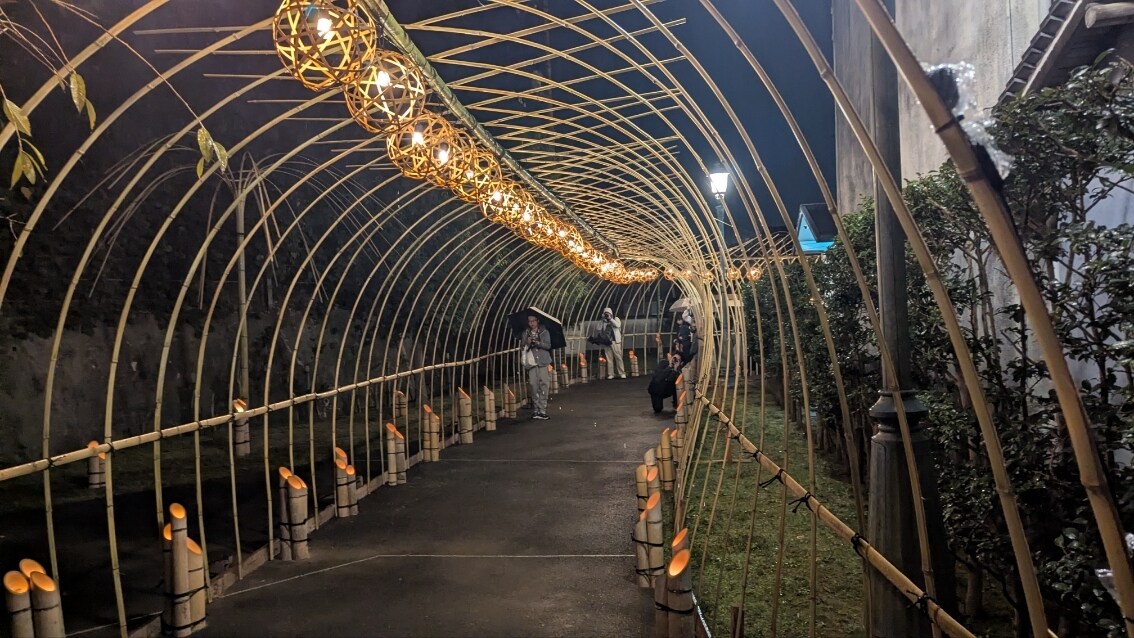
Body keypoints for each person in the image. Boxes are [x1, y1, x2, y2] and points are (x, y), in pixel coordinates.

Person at [521, 313, 552, 420]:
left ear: (537, 321)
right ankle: (536, 409)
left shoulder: (544, 332)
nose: (531, 323)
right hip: (532, 363)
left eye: (533, 321)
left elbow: (548, 345)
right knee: (533, 385)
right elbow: (522, 347)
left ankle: (542, 410)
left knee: (544, 385)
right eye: (529, 321)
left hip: (543, 362)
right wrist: (527, 343)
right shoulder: (526, 333)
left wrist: (538, 343)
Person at [601, 307, 626, 379]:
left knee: (618, 357)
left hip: (615, 341)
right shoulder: (604, 321)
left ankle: (622, 373)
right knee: (609, 358)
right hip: (607, 341)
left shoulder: (615, 318)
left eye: (608, 313)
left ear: (611, 313)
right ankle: (611, 374)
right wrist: (602, 320)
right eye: (605, 313)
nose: (607, 315)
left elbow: (618, 325)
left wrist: (610, 319)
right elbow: (598, 328)